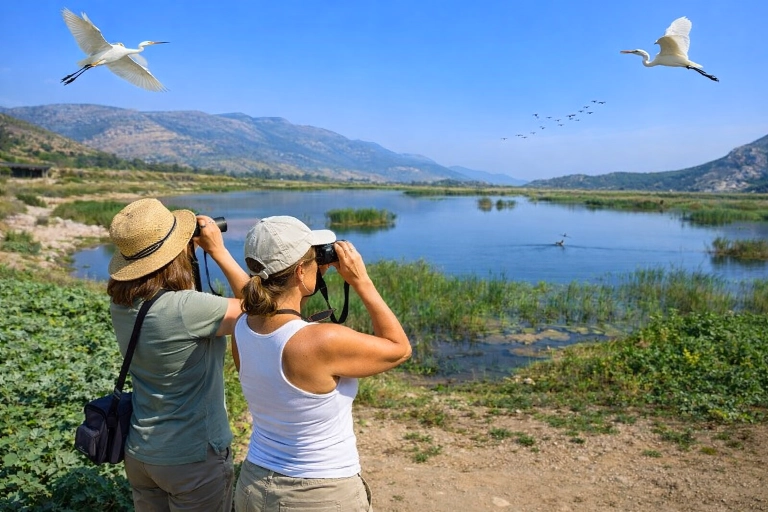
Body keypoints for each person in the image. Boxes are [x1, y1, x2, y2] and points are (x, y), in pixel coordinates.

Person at [232, 216, 411, 512]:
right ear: (301, 271)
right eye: (316, 259)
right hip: (319, 494)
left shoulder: (242, 328)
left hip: (254, 484)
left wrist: (313, 271)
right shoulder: (321, 340)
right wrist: (360, 280)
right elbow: (399, 349)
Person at [107, 198, 249, 512]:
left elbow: (173, 305)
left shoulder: (120, 304)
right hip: (192, 458)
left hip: (141, 452)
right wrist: (217, 250)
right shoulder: (187, 308)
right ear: (174, 252)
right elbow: (260, 309)